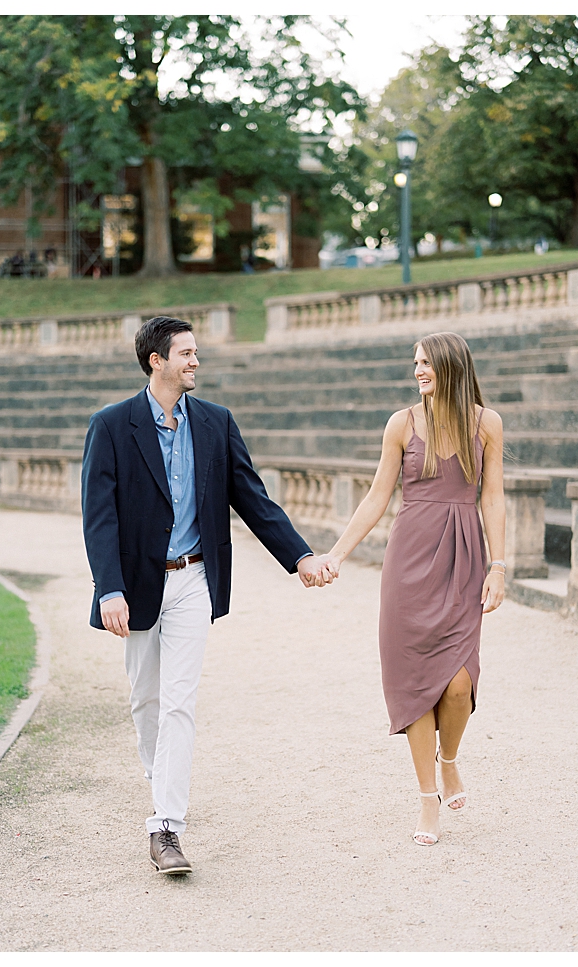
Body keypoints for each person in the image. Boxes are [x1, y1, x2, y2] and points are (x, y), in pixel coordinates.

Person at [81, 315, 332, 875]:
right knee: (146, 699)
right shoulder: (111, 425)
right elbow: (98, 519)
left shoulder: (217, 423)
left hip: (195, 578)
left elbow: (253, 498)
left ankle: (166, 825)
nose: (196, 361)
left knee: (179, 702)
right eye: (186, 353)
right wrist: (110, 589)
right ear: (157, 361)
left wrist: (301, 557)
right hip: (138, 583)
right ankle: (161, 779)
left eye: (196, 352)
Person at [312, 331, 506, 846]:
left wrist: (500, 566)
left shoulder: (487, 424)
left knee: (460, 681)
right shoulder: (401, 424)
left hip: (464, 558)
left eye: (426, 363)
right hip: (409, 560)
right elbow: (378, 496)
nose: (417, 370)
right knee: (415, 682)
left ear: (450, 367)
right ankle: (427, 799)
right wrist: (338, 553)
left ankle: (450, 761)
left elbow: (494, 499)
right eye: (415, 362)